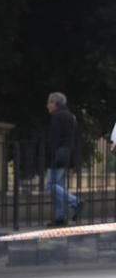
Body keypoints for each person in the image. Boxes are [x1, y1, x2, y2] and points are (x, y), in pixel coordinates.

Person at [45, 92, 83, 226]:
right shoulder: (71, 117)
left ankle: (75, 201)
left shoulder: (57, 116)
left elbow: (54, 138)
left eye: (48, 103)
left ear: (54, 103)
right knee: (58, 185)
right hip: (68, 153)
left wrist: (50, 155)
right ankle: (59, 217)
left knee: (50, 185)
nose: (47, 106)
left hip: (58, 154)